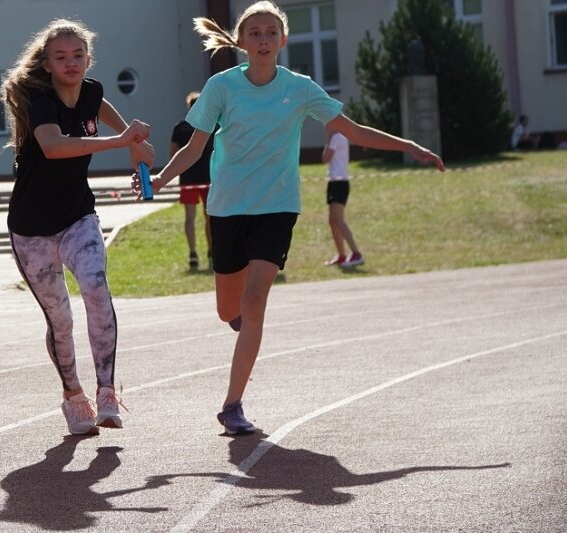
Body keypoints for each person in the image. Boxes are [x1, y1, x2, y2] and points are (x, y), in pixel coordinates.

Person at [134, 0, 444, 435]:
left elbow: (352, 130)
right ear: (241, 42)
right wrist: (164, 177)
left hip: (277, 207)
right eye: (254, 32)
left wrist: (408, 145)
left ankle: (232, 405)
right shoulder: (221, 87)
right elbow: (195, 146)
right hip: (227, 208)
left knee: (256, 299)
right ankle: (240, 320)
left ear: (282, 40)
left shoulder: (300, 89)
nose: (263, 39)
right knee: (229, 310)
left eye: (270, 32)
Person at [1, 18, 154, 436]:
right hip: (31, 227)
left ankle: (107, 392)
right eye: (61, 57)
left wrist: (139, 153)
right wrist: (121, 142)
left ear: (89, 59)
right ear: (47, 64)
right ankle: (74, 396)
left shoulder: (94, 93)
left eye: (78, 55)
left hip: (76, 217)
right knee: (61, 320)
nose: (71, 63)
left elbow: (130, 139)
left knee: (95, 288)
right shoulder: (39, 98)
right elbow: (53, 147)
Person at [170, 91, 214, 269]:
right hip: (207, 176)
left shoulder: (179, 127)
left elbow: (172, 153)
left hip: (187, 177)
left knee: (190, 217)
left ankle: (193, 253)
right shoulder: (211, 125)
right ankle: (212, 252)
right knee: (209, 217)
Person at [321, 130, 363, 268]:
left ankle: (356, 253)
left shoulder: (336, 137)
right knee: (333, 221)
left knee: (338, 220)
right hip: (335, 182)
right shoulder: (338, 137)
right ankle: (341, 255)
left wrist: (328, 140)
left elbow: (325, 158)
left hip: (339, 183)